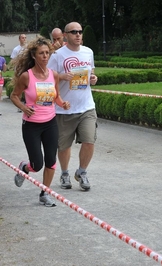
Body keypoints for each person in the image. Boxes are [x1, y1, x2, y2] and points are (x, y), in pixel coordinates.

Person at [10, 36, 70, 207]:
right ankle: (24, 168)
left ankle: (45, 193)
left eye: (47, 53)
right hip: (31, 126)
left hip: (50, 123)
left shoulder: (54, 75)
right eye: (41, 53)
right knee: (37, 164)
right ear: (34, 56)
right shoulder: (26, 77)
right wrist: (23, 107)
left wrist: (63, 103)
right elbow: (14, 96)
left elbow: (56, 96)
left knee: (51, 160)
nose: (45, 56)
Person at [48, 22, 98, 191]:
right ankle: (64, 173)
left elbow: (91, 73)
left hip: (86, 106)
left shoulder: (88, 52)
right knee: (64, 146)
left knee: (89, 141)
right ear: (65, 35)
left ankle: (82, 172)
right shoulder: (57, 55)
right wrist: (62, 76)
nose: (78, 34)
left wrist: (93, 79)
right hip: (64, 108)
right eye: (74, 32)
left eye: (80, 32)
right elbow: (48, 78)